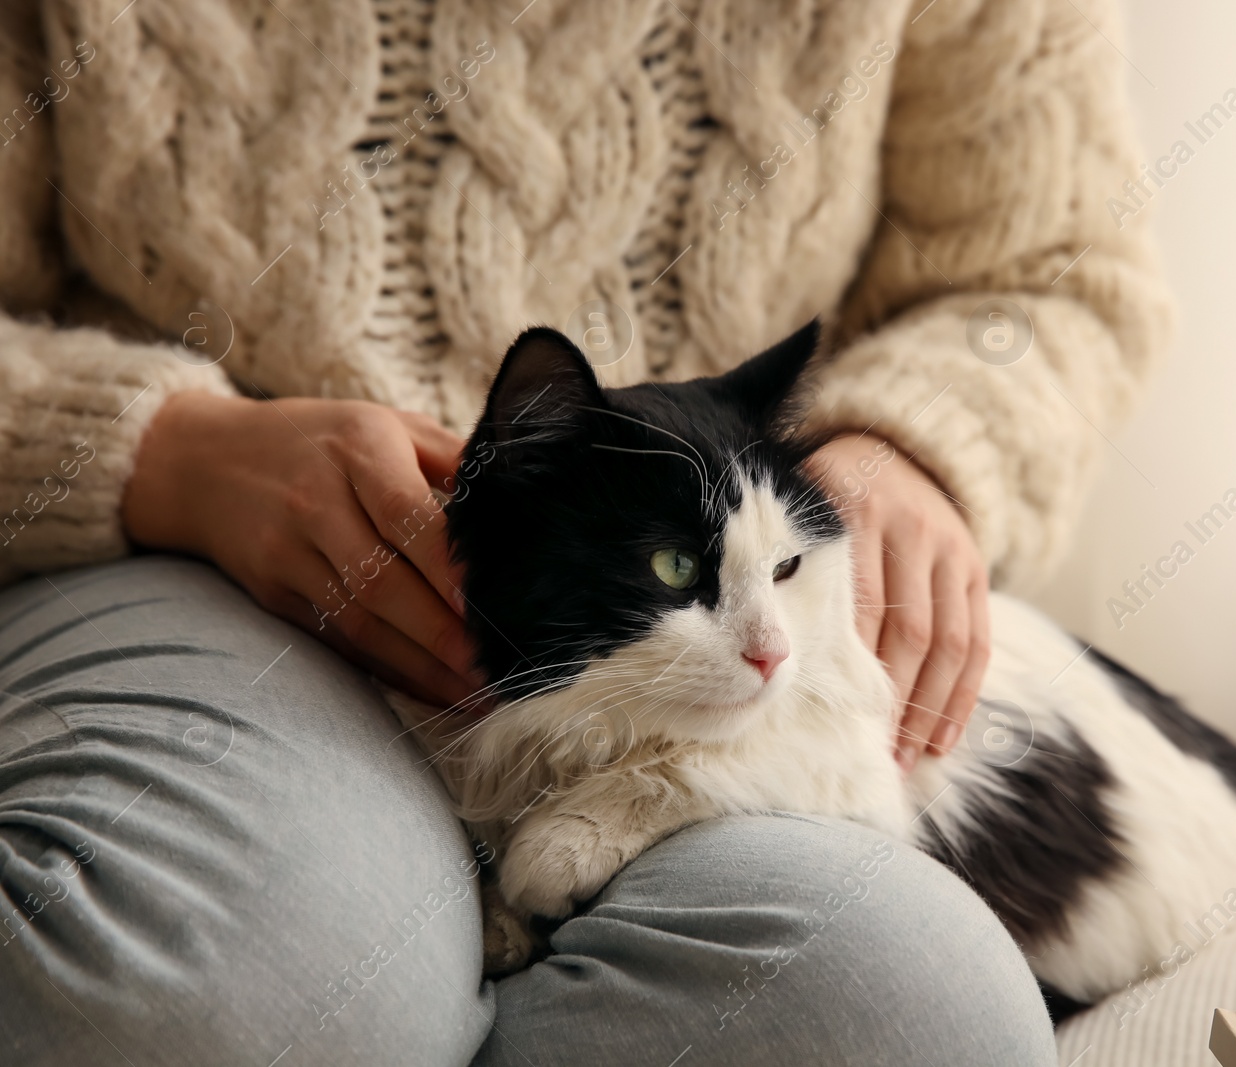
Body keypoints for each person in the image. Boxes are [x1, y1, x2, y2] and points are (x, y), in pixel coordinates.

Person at [0, 0, 1169, 1063]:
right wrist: (162, 448)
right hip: (198, 569)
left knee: (905, 1010)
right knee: (207, 992)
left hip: (699, 612)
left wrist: (904, 442)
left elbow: (1054, 269)